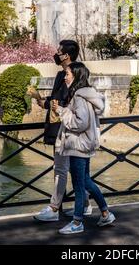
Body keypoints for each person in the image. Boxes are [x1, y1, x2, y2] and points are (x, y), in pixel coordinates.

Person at [52, 62, 116, 235]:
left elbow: (80, 122)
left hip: (77, 144)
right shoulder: (86, 95)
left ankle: (77, 222)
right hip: (85, 144)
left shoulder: (79, 97)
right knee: (86, 181)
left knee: (79, 185)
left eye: (67, 74)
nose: (65, 77)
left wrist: (61, 111)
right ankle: (105, 213)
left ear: (76, 76)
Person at [33, 40, 91, 222]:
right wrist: (45, 100)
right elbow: (58, 99)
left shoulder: (73, 75)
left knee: (61, 169)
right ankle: (86, 205)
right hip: (60, 127)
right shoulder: (62, 76)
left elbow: (67, 102)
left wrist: (47, 103)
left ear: (66, 55)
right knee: (72, 170)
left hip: (66, 129)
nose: (56, 54)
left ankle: (54, 208)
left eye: (58, 51)